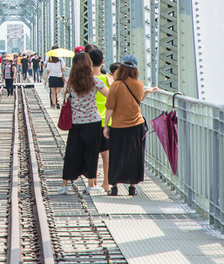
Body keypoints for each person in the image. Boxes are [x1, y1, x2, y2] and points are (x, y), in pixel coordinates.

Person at [104, 54, 159, 196]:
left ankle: (115, 187)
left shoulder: (115, 85)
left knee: (116, 156)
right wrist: (147, 91)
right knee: (134, 156)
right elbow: (137, 100)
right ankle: (132, 187)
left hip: (118, 126)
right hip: (137, 126)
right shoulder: (139, 84)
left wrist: (105, 126)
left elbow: (110, 107)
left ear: (121, 68)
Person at [57, 50, 108, 195]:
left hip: (76, 122)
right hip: (93, 121)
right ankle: (91, 184)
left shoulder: (70, 81)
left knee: (72, 152)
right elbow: (110, 96)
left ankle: (64, 185)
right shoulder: (95, 80)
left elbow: (65, 95)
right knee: (92, 153)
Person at [88, 47, 111, 192]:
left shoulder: (86, 81)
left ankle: (92, 183)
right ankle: (106, 183)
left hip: (91, 121)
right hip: (108, 122)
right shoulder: (108, 80)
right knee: (106, 155)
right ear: (102, 62)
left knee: (92, 154)